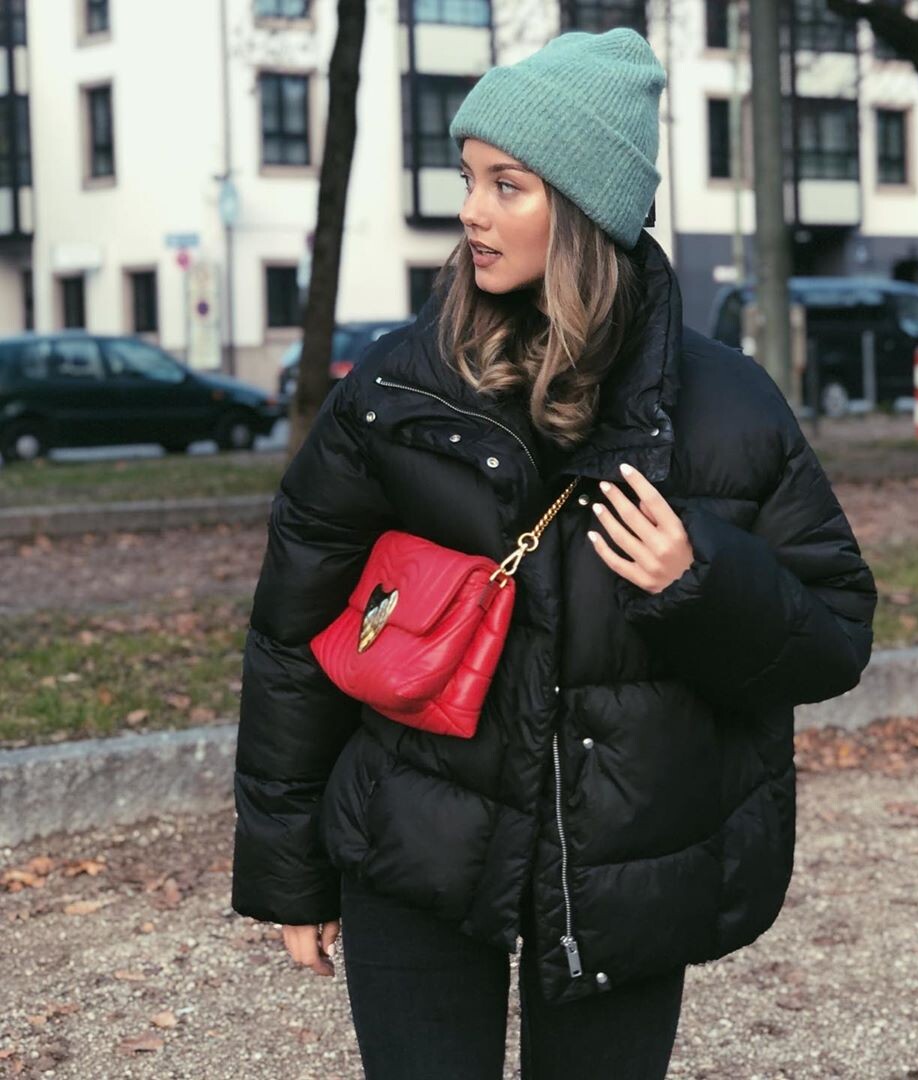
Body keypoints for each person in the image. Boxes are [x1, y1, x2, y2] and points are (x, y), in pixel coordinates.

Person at [230, 26, 877, 1080]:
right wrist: (287, 869)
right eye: (468, 179)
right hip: (412, 851)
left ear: (583, 209)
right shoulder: (396, 392)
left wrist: (701, 581)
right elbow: (293, 636)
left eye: (508, 185)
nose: (471, 211)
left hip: (623, 876)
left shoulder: (730, 408)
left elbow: (834, 637)